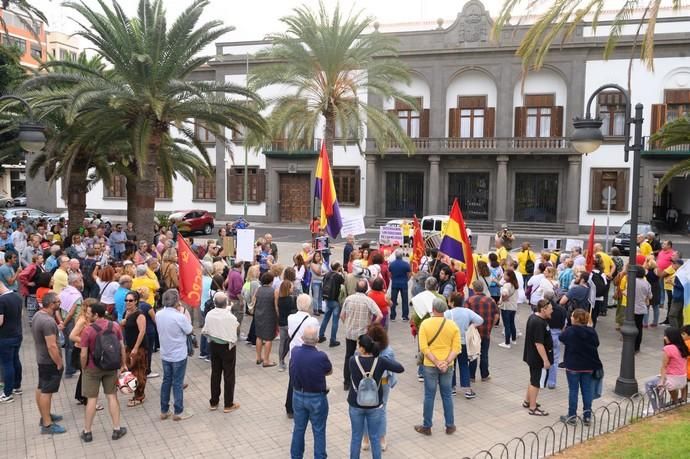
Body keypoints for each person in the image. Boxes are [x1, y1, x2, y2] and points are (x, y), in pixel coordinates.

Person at [348, 333, 404, 459]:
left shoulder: (353, 360)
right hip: (375, 404)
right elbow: (400, 368)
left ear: (362, 348)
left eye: (358, 345)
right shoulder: (380, 361)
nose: (356, 347)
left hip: (355, 404)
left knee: (356, 437)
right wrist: (384, 359)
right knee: (374, 437)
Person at [78, 302, 127, 442]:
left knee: (92, 399)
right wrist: (123, 364)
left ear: (96, 315)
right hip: (111, 367)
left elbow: (83, 354)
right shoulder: (115, 326)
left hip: (92, 368)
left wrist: (84, 367)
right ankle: (117, 429)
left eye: (89, 313)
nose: (87, 315)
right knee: (112, 396)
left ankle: (87, 432)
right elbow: (122, 347)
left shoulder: (88, 330)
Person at [414, 298, 460, 436]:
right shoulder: (452, 325)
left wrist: (436, 362)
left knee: (429, 395)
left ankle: (427, 426)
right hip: (448, 366)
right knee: (447, 395)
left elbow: (424, 348)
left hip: (429, 365)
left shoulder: (425, 324)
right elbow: (456, 348)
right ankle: (450, 425)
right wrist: (445, 362)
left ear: (433, 309)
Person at [289, 325, 332, 459]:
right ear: (317, 340)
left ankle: (296, 456)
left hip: (298, 395)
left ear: (302, 338)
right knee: (319, 430)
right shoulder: (321, 356)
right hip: (316, 397)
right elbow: (329, 371)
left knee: (299, 428)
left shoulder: (295, 351)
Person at [558, 308, 602, 425]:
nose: (570, 318)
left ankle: (572, 416)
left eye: (572, 316)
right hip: (588, 365)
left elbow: (561, 338)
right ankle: (587, 416)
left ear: (577, 318)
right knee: (586, 390)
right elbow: (596, 343)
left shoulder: (570, 331)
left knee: (573, 390)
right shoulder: (591, 331)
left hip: (573, 365)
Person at [32, 292, 67, 434]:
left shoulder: (38, 315)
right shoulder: (48, 322)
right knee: (47, 391)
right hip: (49, 361)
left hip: (42, 359)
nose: (60, 303)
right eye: (58, 301)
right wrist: (58, 362)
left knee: (41, 387)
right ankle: (47, 425)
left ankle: (45, 415)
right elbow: (51, 346)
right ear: (52, 304)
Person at [157, 289, 194, 421]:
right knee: (177, 382)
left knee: (166, 380)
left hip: (165, 352)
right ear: (176, 301)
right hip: (178, 353)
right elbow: (189, 330)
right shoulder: (179, 316)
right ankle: (178, 411)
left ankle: (164, 410)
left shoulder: (159, 314)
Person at [201, 292, 240, 413]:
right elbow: (235, 328)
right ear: (226, 303)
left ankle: (214, 402)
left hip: (214, 345)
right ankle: (228, 404)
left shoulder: (210, 314)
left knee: (215, 373)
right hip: (227, 347)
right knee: (229, 375)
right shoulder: (230, 317)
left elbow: (207, 328)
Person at [341, 279, 383, 391]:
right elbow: (380, 315)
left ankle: (346, 382)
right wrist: (372, 327)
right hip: (363, 334)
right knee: (364, 356)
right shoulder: (368, 301)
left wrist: (347, 324)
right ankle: (361, 378)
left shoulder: (348, 299)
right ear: (365, 290)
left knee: (348, 355)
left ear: (355, 288)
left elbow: (342, 315)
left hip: (350, 332)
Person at [285, 294, 320, 418]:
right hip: (309, 356)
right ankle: (308, 408)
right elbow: (317, 337)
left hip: (294, 354)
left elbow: (290, 333)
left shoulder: (290, 318)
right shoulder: (312, 321)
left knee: (292, 382)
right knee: (309, 382)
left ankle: (290, 408)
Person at [445, 292, 483, 399]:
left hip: (451, 343)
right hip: (464, 343)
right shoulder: (467, 312)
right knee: (464, 365)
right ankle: (467, 389)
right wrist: (471, 326)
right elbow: (480, 320)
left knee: (451, 365)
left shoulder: (448, 313)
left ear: (452, 302)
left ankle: (452, 388)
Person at [68, 298, 103, 409]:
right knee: (88, 376)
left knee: (84, 375)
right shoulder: (82, 320)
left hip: (84, 350)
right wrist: (86, 341)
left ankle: (81, 396)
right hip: (80, 351)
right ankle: (88, 400)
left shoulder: (88, 318)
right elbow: (72, 336)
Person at [644, 327, 689, 412]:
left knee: (648, 384)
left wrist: (661, 381)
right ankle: (664, 405)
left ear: (671, 337)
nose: (664, 338)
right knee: (657, 385)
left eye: (666, 336)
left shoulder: (668, 348)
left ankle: (656, 408)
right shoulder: (683, 347)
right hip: (683, 380)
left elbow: (664, 367)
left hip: (672, 380)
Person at [523, 299, 554, 416]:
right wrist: (545, 360)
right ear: (543, 309)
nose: (552, 311)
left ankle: (528, 401)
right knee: (535, 382)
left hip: (531, 355)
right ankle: (533, 407)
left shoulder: (534, 318)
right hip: (536, 358)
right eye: (550, 309)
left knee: (533, 379)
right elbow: (539, 344)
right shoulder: (539, 323)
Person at [465, 281, 499, 382]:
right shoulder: (491, 300)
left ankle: (471, 376)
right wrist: (491, 326)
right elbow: (497, 315)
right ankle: (484, 375)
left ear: (474, 289)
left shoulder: (469, 300)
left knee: (473, 353)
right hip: (486, 332)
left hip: (473, 332)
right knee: (484, 354)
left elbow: (466, 315)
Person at [120, 291, 148, 407]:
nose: (128, 302)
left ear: (136, 301)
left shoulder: (139, 314)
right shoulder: (126, 312)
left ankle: (139, 396)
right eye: (126, 300)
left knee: (139, 371)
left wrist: (136, 348)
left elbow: (142, 331)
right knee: (131, 371)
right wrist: (124, 321)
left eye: (130, 300)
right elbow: (123, 328)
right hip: (129, 346)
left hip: (139, 347)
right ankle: (136, 392)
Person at [0, 282, 23, 403]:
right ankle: (17, 387)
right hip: (17, 334)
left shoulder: (1, 301)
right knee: (15, 360)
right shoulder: (17, 296)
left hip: (5, 337)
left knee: (7, 364)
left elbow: (0, 321)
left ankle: (7, 393)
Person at [58, 273, 84, 379]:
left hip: (65, 322)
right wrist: (63, 324)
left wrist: (61, 322)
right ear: (74, 282)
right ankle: (70, 369)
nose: (82, 281)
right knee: (71, 346)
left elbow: (58, 309)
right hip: (73, 323)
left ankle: (73, 367)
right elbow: (72, 312)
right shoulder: (75, 295)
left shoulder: (64, 291)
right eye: (80, 280)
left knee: (69, 346)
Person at [252, 272, 278, 367]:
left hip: (259, 315)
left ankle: (258, 357)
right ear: (271, 281)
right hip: (269, 316)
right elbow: (276, 306)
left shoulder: (258, 290)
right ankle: (266, 360)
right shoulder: (273, 291)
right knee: (268, 339)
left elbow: (253, 301)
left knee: (259, 337)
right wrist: (278, 316)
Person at [319, 262, 345, 346]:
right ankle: (333, 340)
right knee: (335, 321)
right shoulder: (338, 276)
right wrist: (343, 272)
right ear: (338, 268)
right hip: (335, 300)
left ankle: (321, 335)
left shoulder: (327, 274)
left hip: (327, 299)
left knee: (326, 318)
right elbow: (344, 283)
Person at [546, 294, 567, 389]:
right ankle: (552, 382)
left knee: (543, 357)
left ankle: (542, 379)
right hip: (557, 334)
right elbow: (565, 323)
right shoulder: (561, 309)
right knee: (554, 360)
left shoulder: (545, 309)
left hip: (547, 334)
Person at [277, 279, 298, 370]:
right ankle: (293, 361)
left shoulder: (280, 299)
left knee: (282, 342)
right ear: (288, 289)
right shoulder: (292, 299)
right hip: (290, 324)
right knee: (292, 343)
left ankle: (281, 361)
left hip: (282, 323)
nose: (293, 288)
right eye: (292, 287)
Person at [632, 266, 653, 352]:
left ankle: (630, 344)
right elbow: (650, 296)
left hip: (632, 307)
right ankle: (637, 346)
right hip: (641, 308)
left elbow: (626, 292)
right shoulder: (646, 283)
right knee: (639, 327)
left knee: (630, 326)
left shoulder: (632, 282)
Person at [498, 270, 519, 350]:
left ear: (509, 276)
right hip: (513, 306)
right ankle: (513, 339)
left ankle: (507, 343)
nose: (503, 275)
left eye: (505, 274)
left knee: (506, 325)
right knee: (512, 323)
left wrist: (502, 300)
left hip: (506, 307)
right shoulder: (515, 284)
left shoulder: (506, 285)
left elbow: (504, 293)